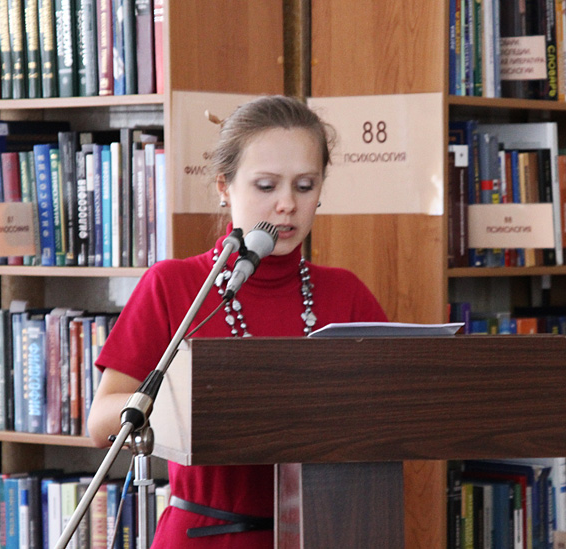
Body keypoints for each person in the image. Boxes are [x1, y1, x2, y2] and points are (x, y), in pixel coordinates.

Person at [87, 95, 387, 547]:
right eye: (266, 186)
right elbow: (102, 422)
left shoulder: (347, 293)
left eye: (305, 186)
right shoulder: (174, 285)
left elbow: (394, 414)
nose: (287, 204)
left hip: (326, 532)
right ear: (225, 187)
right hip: (205, 535)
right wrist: (211, 404)